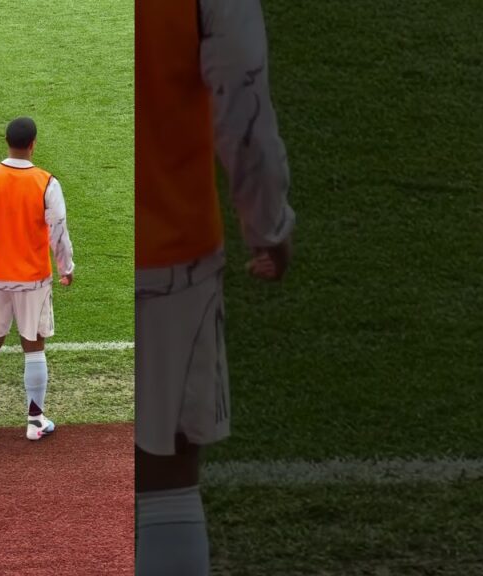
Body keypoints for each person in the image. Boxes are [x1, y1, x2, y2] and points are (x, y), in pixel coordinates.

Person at [135, 0, 296, 574]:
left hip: (86, 245)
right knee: (167, 473)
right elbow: (243, 97)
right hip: (171, 251)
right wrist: (268, 225)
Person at [0, 116, 75, 441]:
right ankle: (35, 421)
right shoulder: (46, 183)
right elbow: (58, 232)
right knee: (33, 348)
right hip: (33, 279)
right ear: (33, 144)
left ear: (6, 141)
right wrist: (66, 267)